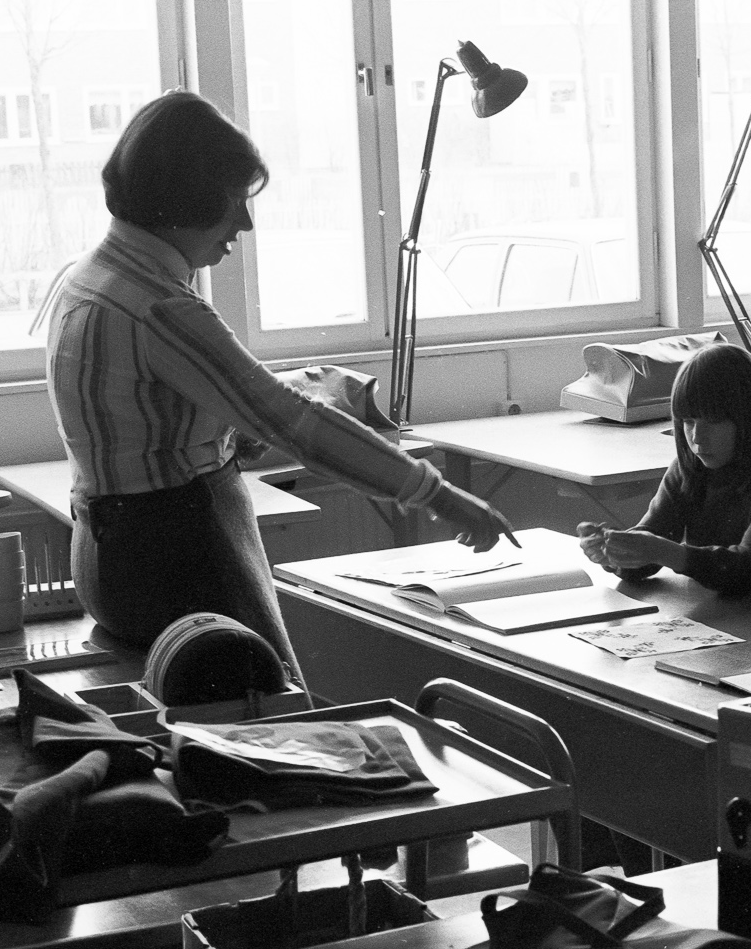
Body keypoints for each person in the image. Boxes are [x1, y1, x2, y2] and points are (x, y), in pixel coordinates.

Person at [45, 92, 512, 673]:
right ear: (186, 199)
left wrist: (226, 431)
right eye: (233, 202)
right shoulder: (160, 307)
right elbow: (295, 423)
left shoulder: (88, 277)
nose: (243, 223)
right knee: (266, 710)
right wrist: (436, 493)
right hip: (177, 555)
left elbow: (140, 421)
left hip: (105, 555)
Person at [576, 342, 751, 597]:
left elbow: (747, 571)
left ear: (749, 420)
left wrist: (664, 552)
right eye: (688, 421)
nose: (697, 437)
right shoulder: (687, 469)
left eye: (713, 422)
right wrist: (615, 552)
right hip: (707, 609)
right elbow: (652, 542)